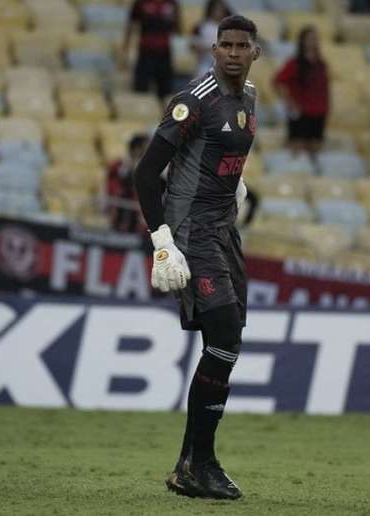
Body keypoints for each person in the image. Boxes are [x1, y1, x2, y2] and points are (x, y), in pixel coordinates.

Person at [133, 14, 259, 500]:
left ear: (254, 53)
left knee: (227, 343)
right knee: (224, 334)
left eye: (240, 45)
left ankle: (191, 466)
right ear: (214, 49)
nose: (231, 52)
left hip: (224, 229)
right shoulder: (193, 102)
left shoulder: (249, 97)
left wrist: (235, 183)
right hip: (191, 234)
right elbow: (146, 176)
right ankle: (198, 463)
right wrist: (162, 240)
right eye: (223, 44)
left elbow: (225, 154)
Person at [273, 26, 330, 156]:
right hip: (300, 112)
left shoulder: (321, 64)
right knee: (297, 151)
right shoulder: (294, 63)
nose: (314, 41)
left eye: (316, 38)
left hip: (319, 112)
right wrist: (288, 101)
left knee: (316, 150)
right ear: (303, 41)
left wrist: (326, 107)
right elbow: (277, 82)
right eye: (310, 38)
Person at [122, 0, 181, 100]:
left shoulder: (172, 3)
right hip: (145, 53)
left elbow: (178, 28)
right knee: (141, 90)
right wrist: (125, 51)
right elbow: (131, 26)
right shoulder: (140, 3)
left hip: (164, 54)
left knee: (166, 92)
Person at [106, 133, 150, 234]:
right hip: (120, 214)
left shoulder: (149, 170)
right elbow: (113, 186)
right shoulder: (119, 166)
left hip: (137, 221)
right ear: (137, 149)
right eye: (146, 148)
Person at [191, 0, 232, 77]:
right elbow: (193, 46)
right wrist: (209, 48)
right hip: (204, 66)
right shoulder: (201, 27)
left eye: (221, 10)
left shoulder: (228, 28)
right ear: (210, 10)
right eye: (216, 9)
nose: (218, 12)